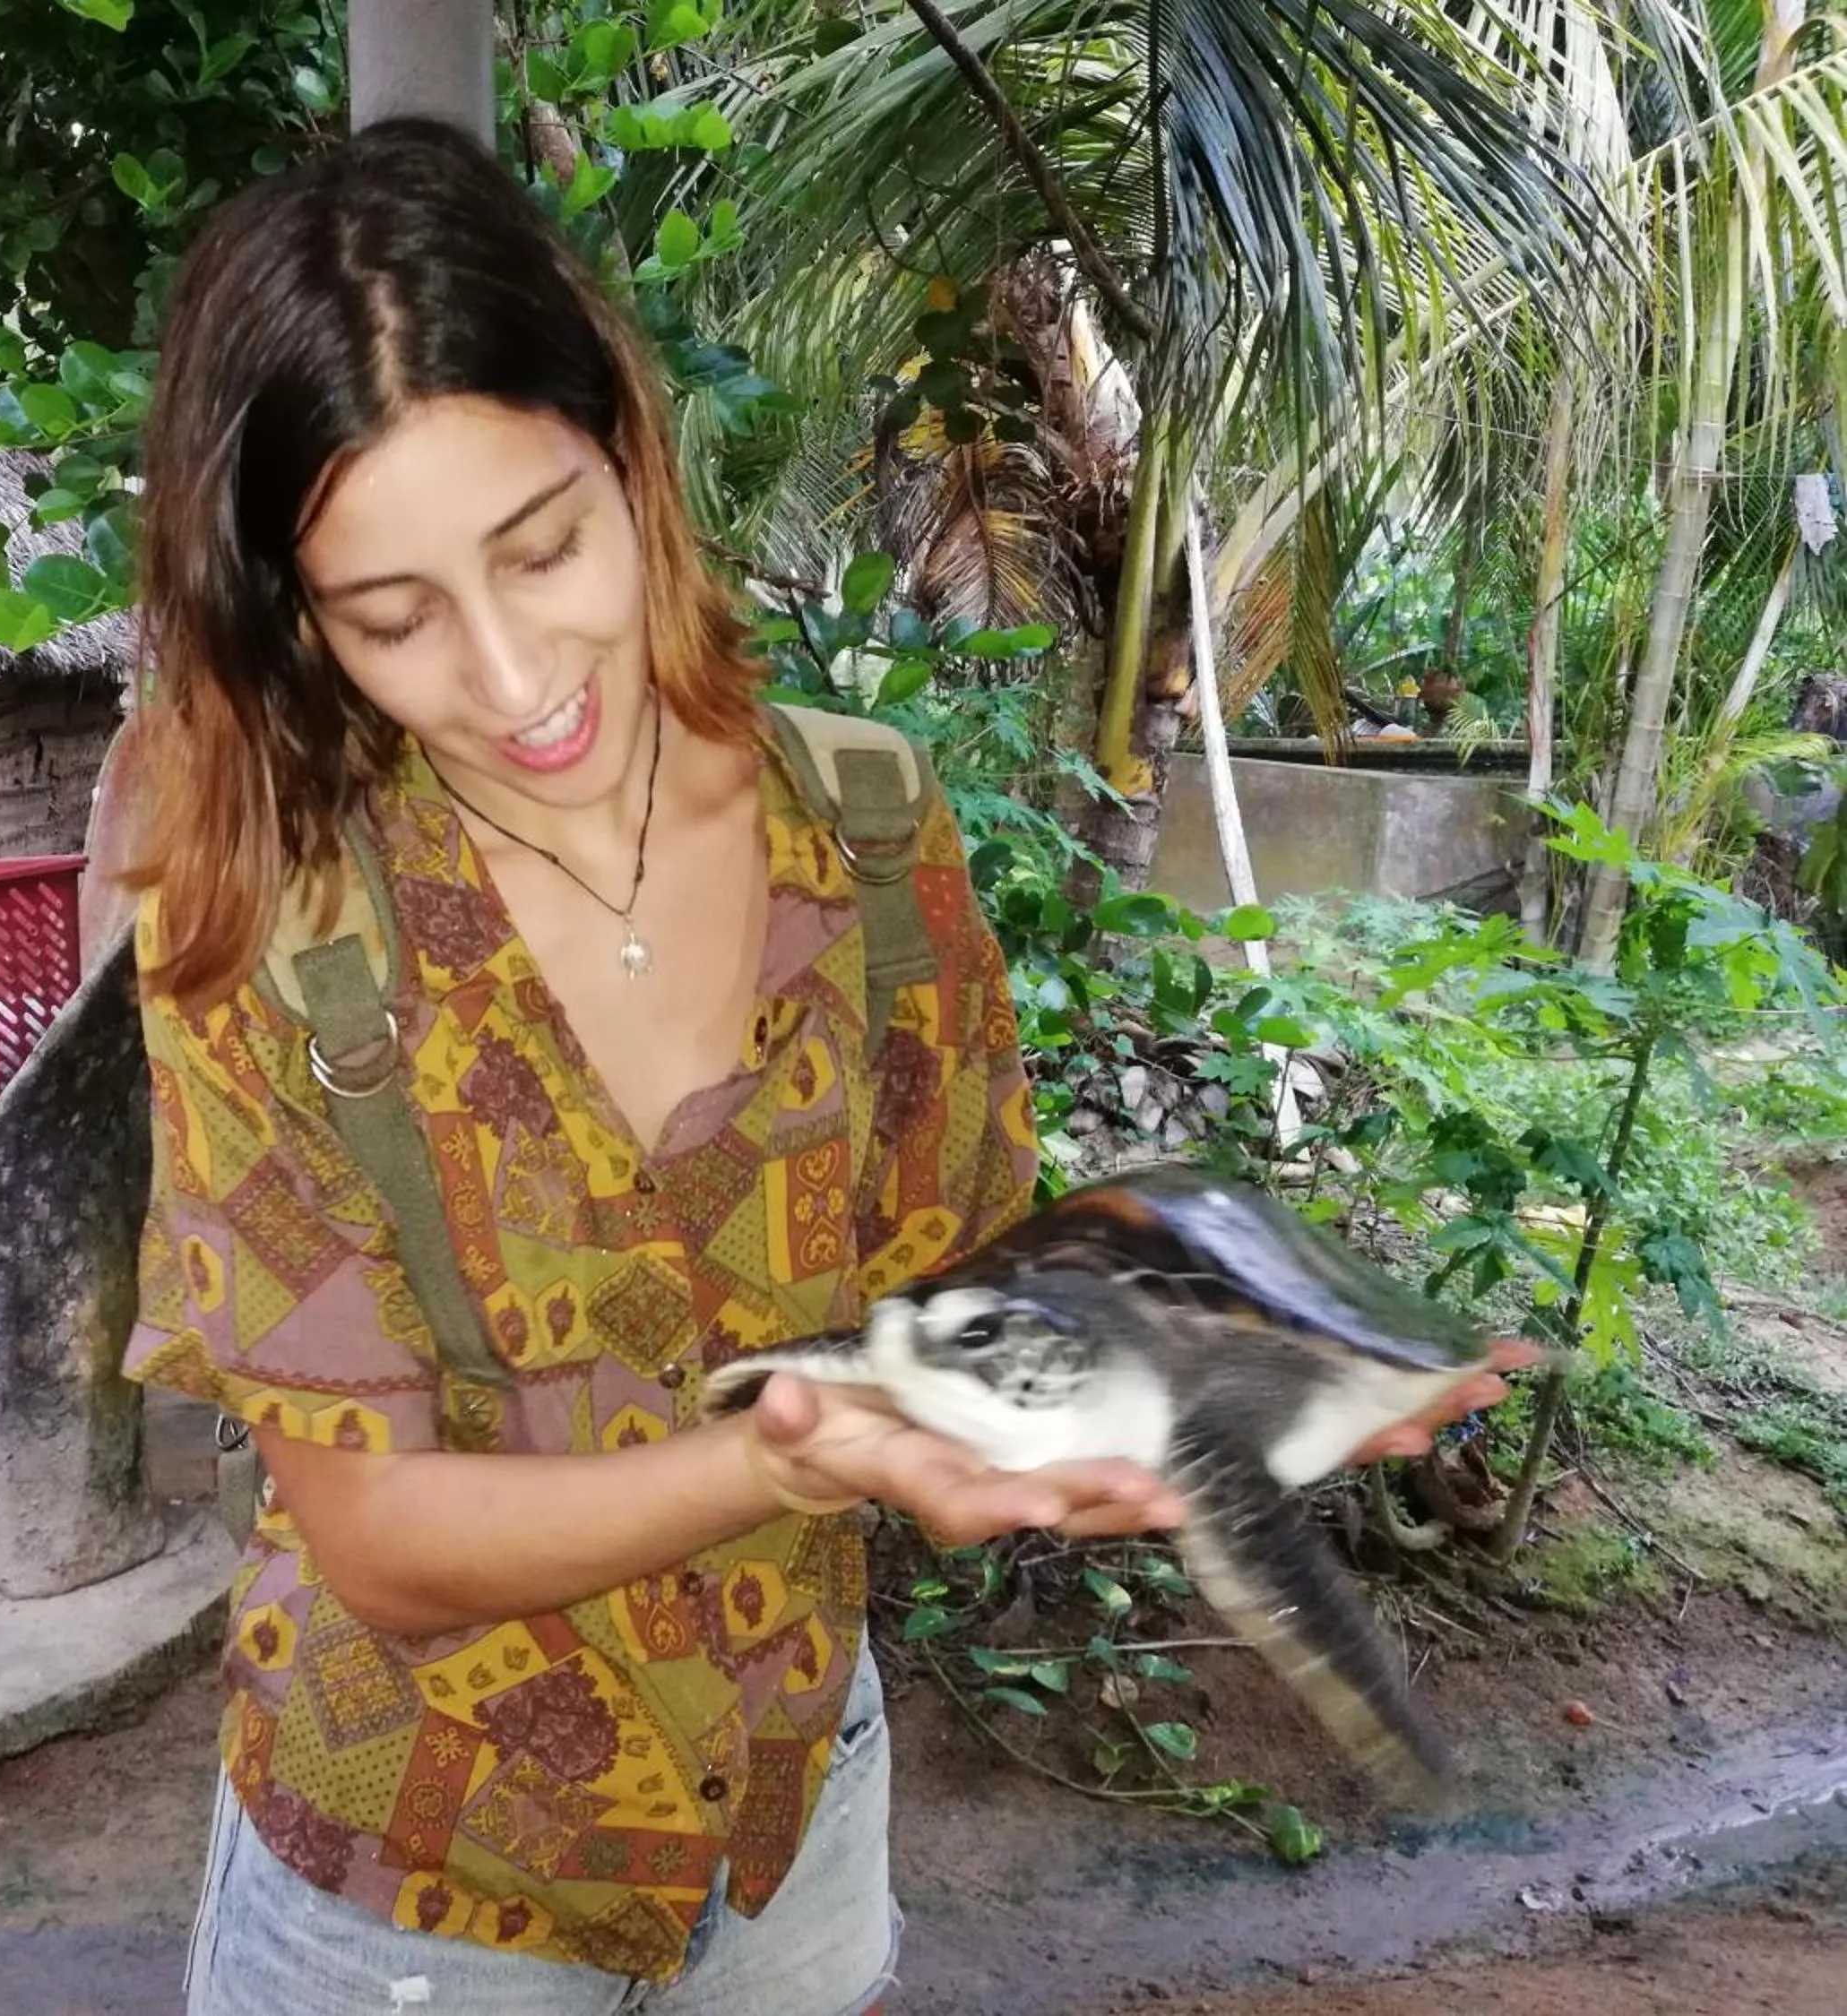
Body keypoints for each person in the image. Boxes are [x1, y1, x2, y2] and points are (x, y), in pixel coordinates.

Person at [118, 117, 1509, 2016]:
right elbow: (378, 1540)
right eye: (396, 617)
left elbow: (971, 1285)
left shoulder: (863, 830)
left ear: (626, 447)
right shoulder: (259, 928)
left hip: (788, 1822)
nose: (517, 675)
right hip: (419, 1886)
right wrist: (782, 1457)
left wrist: (1196, 1358)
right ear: (295, 615)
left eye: (546, 548)